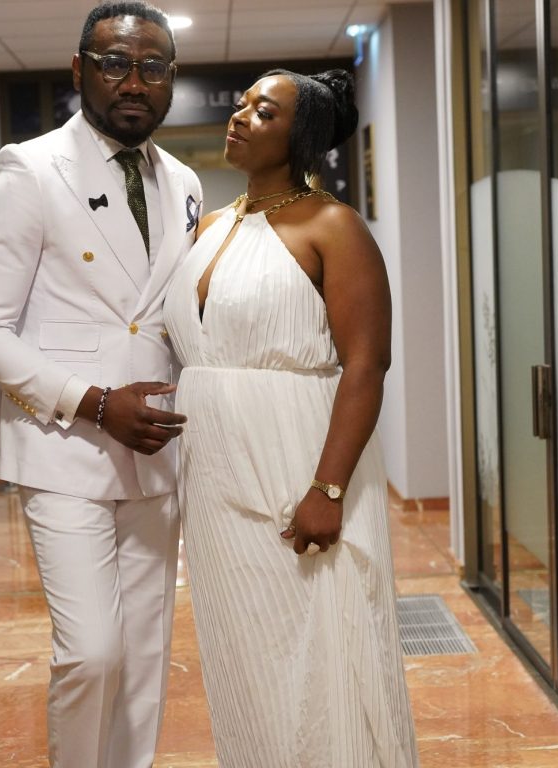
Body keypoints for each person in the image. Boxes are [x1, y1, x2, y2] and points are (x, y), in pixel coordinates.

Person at [0, 3, 202, 767]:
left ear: (170, 78)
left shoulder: (185, 183)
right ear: (79, 70)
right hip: (64, 447)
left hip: (157, 450)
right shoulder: (29, 171)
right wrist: (95, 403)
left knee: (144, 658)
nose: (133, 82)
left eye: (152, 67)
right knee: (92, 652)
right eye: (114, 63)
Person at [163, 68, 420, 767]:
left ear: (300, 135)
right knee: (243, 651)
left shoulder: (333, 226)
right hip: (214, 473)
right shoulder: (212, 227)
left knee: (318, 643)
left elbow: (367, 364)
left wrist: (327, 488)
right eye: (242, 104)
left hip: (296, 460)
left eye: (264, 112)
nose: (240, 116)